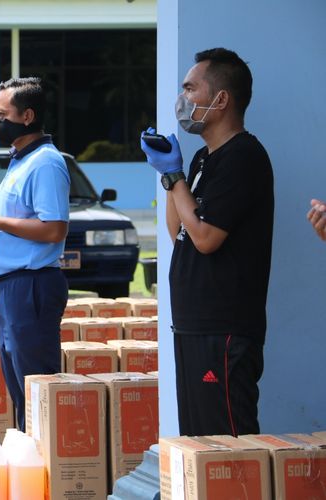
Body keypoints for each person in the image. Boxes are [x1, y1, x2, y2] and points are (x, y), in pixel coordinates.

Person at [140, 48, 274, 436]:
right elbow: (178, 231)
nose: (182, 99)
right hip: (192, 323)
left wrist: (175, 177)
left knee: (228, 443)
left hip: (225, 327)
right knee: (200, 442)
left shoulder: (244, 157)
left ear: (221, 100)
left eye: (190, 88)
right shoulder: (203, 159)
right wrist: (172, 175)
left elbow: (205, 238)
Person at [0, 77, 70, 430]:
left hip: (32, 285)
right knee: (19, 385)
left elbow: (54, 230)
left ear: (28, 116)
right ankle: (29, 459)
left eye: (2, 114)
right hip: (11, 286)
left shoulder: (46, 163)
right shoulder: (20, 160)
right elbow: (16, 220)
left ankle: (45, 462)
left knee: (35, 383)